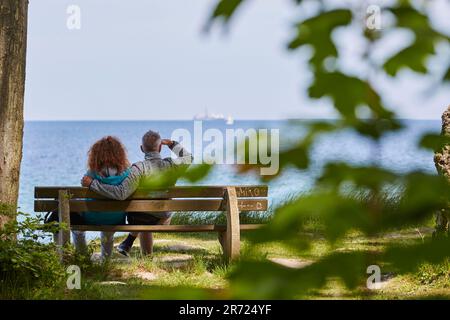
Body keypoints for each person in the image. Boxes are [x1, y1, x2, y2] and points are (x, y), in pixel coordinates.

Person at [81, 130, 193, 256]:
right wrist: (172, 144)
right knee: (152, 213)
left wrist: (92, 184)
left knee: (143, 214)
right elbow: (189, 158)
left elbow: (121, 193)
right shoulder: (172, 165)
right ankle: (135, 249)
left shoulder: (138, 169)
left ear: (141, 148)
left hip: (139, 218)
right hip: (163, 217)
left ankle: (132, 246)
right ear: (160, 147)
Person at [73, 136, 130, 260]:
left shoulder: (91, 174)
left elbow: (84, 193)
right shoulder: (127, 174)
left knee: (77, 228)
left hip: (92, 217)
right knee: (108, 232)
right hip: (116, 218)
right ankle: (106, 260)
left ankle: (83, 257)